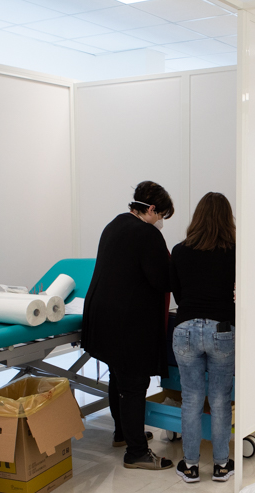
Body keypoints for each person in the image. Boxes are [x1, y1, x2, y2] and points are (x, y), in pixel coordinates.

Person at [82, 181, 175, 470]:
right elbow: (162, 280)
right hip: (128, 323)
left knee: (118, 375)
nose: (161, 221)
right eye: (161, 215)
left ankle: (123, 434)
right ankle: (136, 452)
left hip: (102, 317)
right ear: (151, 209)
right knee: (134, 383)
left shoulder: (114, 225)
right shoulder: (147, 234)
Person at [170, 192, 236, 483]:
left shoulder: (179, 251)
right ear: (227, 218)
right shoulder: (235, 252)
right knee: (220, 399)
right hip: (222, 329)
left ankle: (190, 465)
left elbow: (177, 293)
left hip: (185, 328)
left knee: (191, 398)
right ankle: (221, 465)